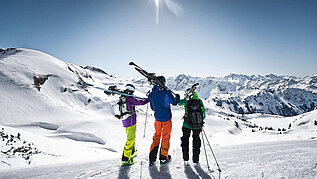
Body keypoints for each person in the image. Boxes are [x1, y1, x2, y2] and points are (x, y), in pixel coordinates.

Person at [148, 76, 180, 166]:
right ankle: (163, 158)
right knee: (165, 137)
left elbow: (152, 108)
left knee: (156, 136)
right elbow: (174, 102)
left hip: (157, 119)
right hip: (166, 118)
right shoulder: (167, 92)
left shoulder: (152, 94)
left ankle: (152, 158)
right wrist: (177, 97)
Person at [120, 84, 150, 166]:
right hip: (130, 122)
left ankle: (132, 152)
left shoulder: (123, 97)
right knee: (130, 139)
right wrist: (148, 99)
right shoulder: (129, 98)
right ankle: (125, 159)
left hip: (125, 121)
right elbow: (141, 102)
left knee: (130, 137)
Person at [178, 92, 206, 166]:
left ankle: (186, 160)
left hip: (187, 125)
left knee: (185, 141)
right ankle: (195, 161)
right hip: (197, 126)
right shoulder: (199, 101)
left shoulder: (186, 101)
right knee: (196, 142)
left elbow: (178, 103)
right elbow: (203, 114)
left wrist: (180, 98)